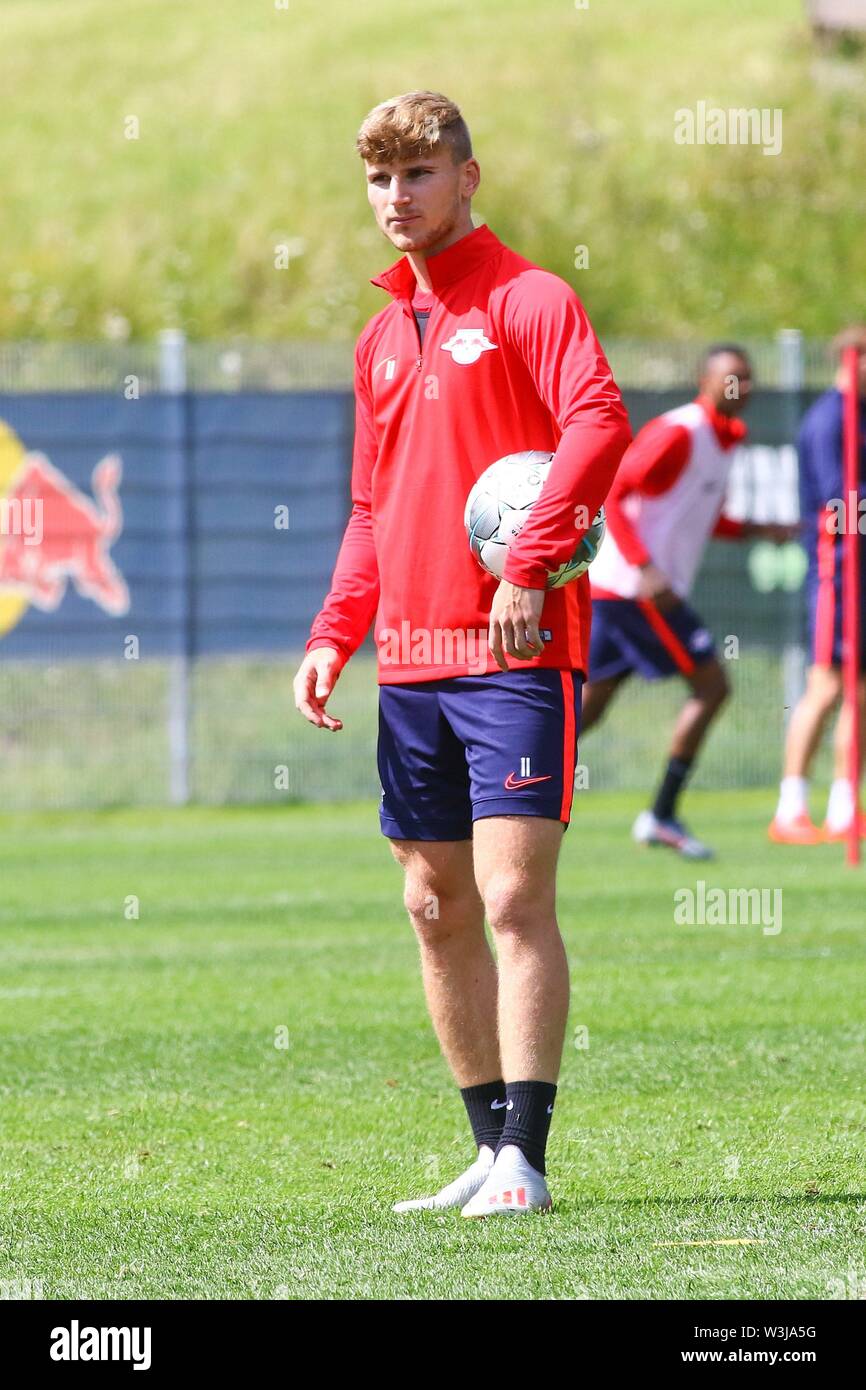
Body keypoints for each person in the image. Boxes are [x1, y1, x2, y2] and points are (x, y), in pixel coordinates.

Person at [292, 91, 631, 1216]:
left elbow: (595, 420)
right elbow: (368, 503)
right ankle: (486, 1152)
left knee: (509, 897)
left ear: (467, 178)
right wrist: (335, 635)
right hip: (411, 660)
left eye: (420, 175)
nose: (398, 198)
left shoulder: (530, 298)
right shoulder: (380, 336)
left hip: (515, 651)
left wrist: (527, 565)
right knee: (433, 907)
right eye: (382, 180)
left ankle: (528, 1161)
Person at [581, 346, 793, 859]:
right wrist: (645, 566)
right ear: (704, 380)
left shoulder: (728, 439)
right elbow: (612, 491)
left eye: (747, 378)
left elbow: (701, 517)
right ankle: (661, 814)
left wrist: (758, 530)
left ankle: (508, 783)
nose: (742, 387)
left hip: (632, 591)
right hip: (636, 590)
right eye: (731, 378)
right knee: (712, 685)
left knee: (587, 706)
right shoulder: (680, 431)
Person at [769, 326, 866, 843]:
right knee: (826, 687)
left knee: (860, 691)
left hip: (862, 574)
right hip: (838, 574)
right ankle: (791, 807)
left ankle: (846, 806)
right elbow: (839, 503)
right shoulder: (831, 419)